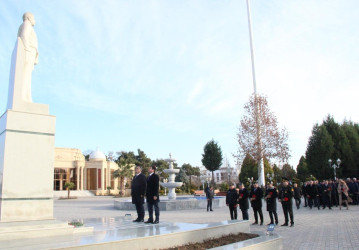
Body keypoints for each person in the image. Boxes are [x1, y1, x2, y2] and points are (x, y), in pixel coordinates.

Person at [17, 12, 39, 102]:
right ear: (29, 18)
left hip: (29, 52)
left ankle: (27, 97)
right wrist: (27, 50)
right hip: (27, 52)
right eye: (33, 18)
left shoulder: (25, 25)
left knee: (27, 76)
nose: (34, 20)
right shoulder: (27, 24)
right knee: (25, 76)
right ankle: (24, 97)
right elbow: (24, 36)